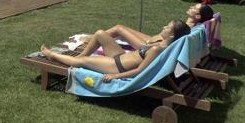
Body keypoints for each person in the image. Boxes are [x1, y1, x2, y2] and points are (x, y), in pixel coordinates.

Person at [41, 20, 191, 82]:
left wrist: (115, 75)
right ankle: (78, 56)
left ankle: (52, 55)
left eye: (167, 28)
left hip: (116, 65)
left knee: (82, 62)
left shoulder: (158, 50)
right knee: (100, 33)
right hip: (121, 56)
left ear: (172, 35)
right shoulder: (163, 43)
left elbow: (139, 71)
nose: (163, 28)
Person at [80, 3, 213, 49]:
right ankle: (93, 38)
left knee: (119, 29)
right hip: (153, 40)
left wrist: (152, 43)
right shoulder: (190, 27)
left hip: (148, 46)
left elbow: (166, 44)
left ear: (197, 16)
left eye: (194, 8)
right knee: (120, 27)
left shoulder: (187, 28)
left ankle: (92, 39)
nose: (191, 7)